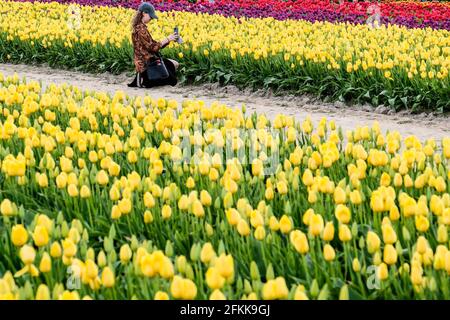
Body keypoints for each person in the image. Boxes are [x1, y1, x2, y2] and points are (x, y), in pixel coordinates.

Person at [128, 2, 180, 88]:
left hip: (148, 61)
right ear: (144, 13)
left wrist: (168, 40)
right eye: (150, 17)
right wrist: (167, 39)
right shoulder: (141, 30)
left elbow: (152, 44)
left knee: (174, 65)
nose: (151, 19)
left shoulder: (140, 27)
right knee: (172, 77)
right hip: (147, 64)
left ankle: (144, 79)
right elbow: (153, 48)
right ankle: (142, 79)